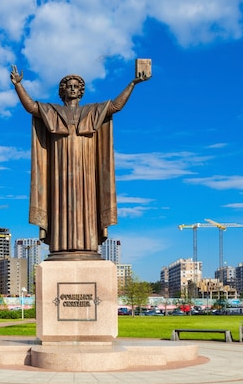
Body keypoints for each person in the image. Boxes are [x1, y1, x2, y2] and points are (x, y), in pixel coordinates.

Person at [11, 64, 151, 260]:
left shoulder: (92, 111)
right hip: (59, 170)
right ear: (63, 91)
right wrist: (18, 85)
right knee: (60, 204)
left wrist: (133, 83)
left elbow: (116, 106)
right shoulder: (52, 111)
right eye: (69, 86)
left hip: (87, 170)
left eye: (77, 85)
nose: (73, 88)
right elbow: (32, 107)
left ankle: (87, 246)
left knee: (87, 203)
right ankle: (61, 247)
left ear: (81, 91)